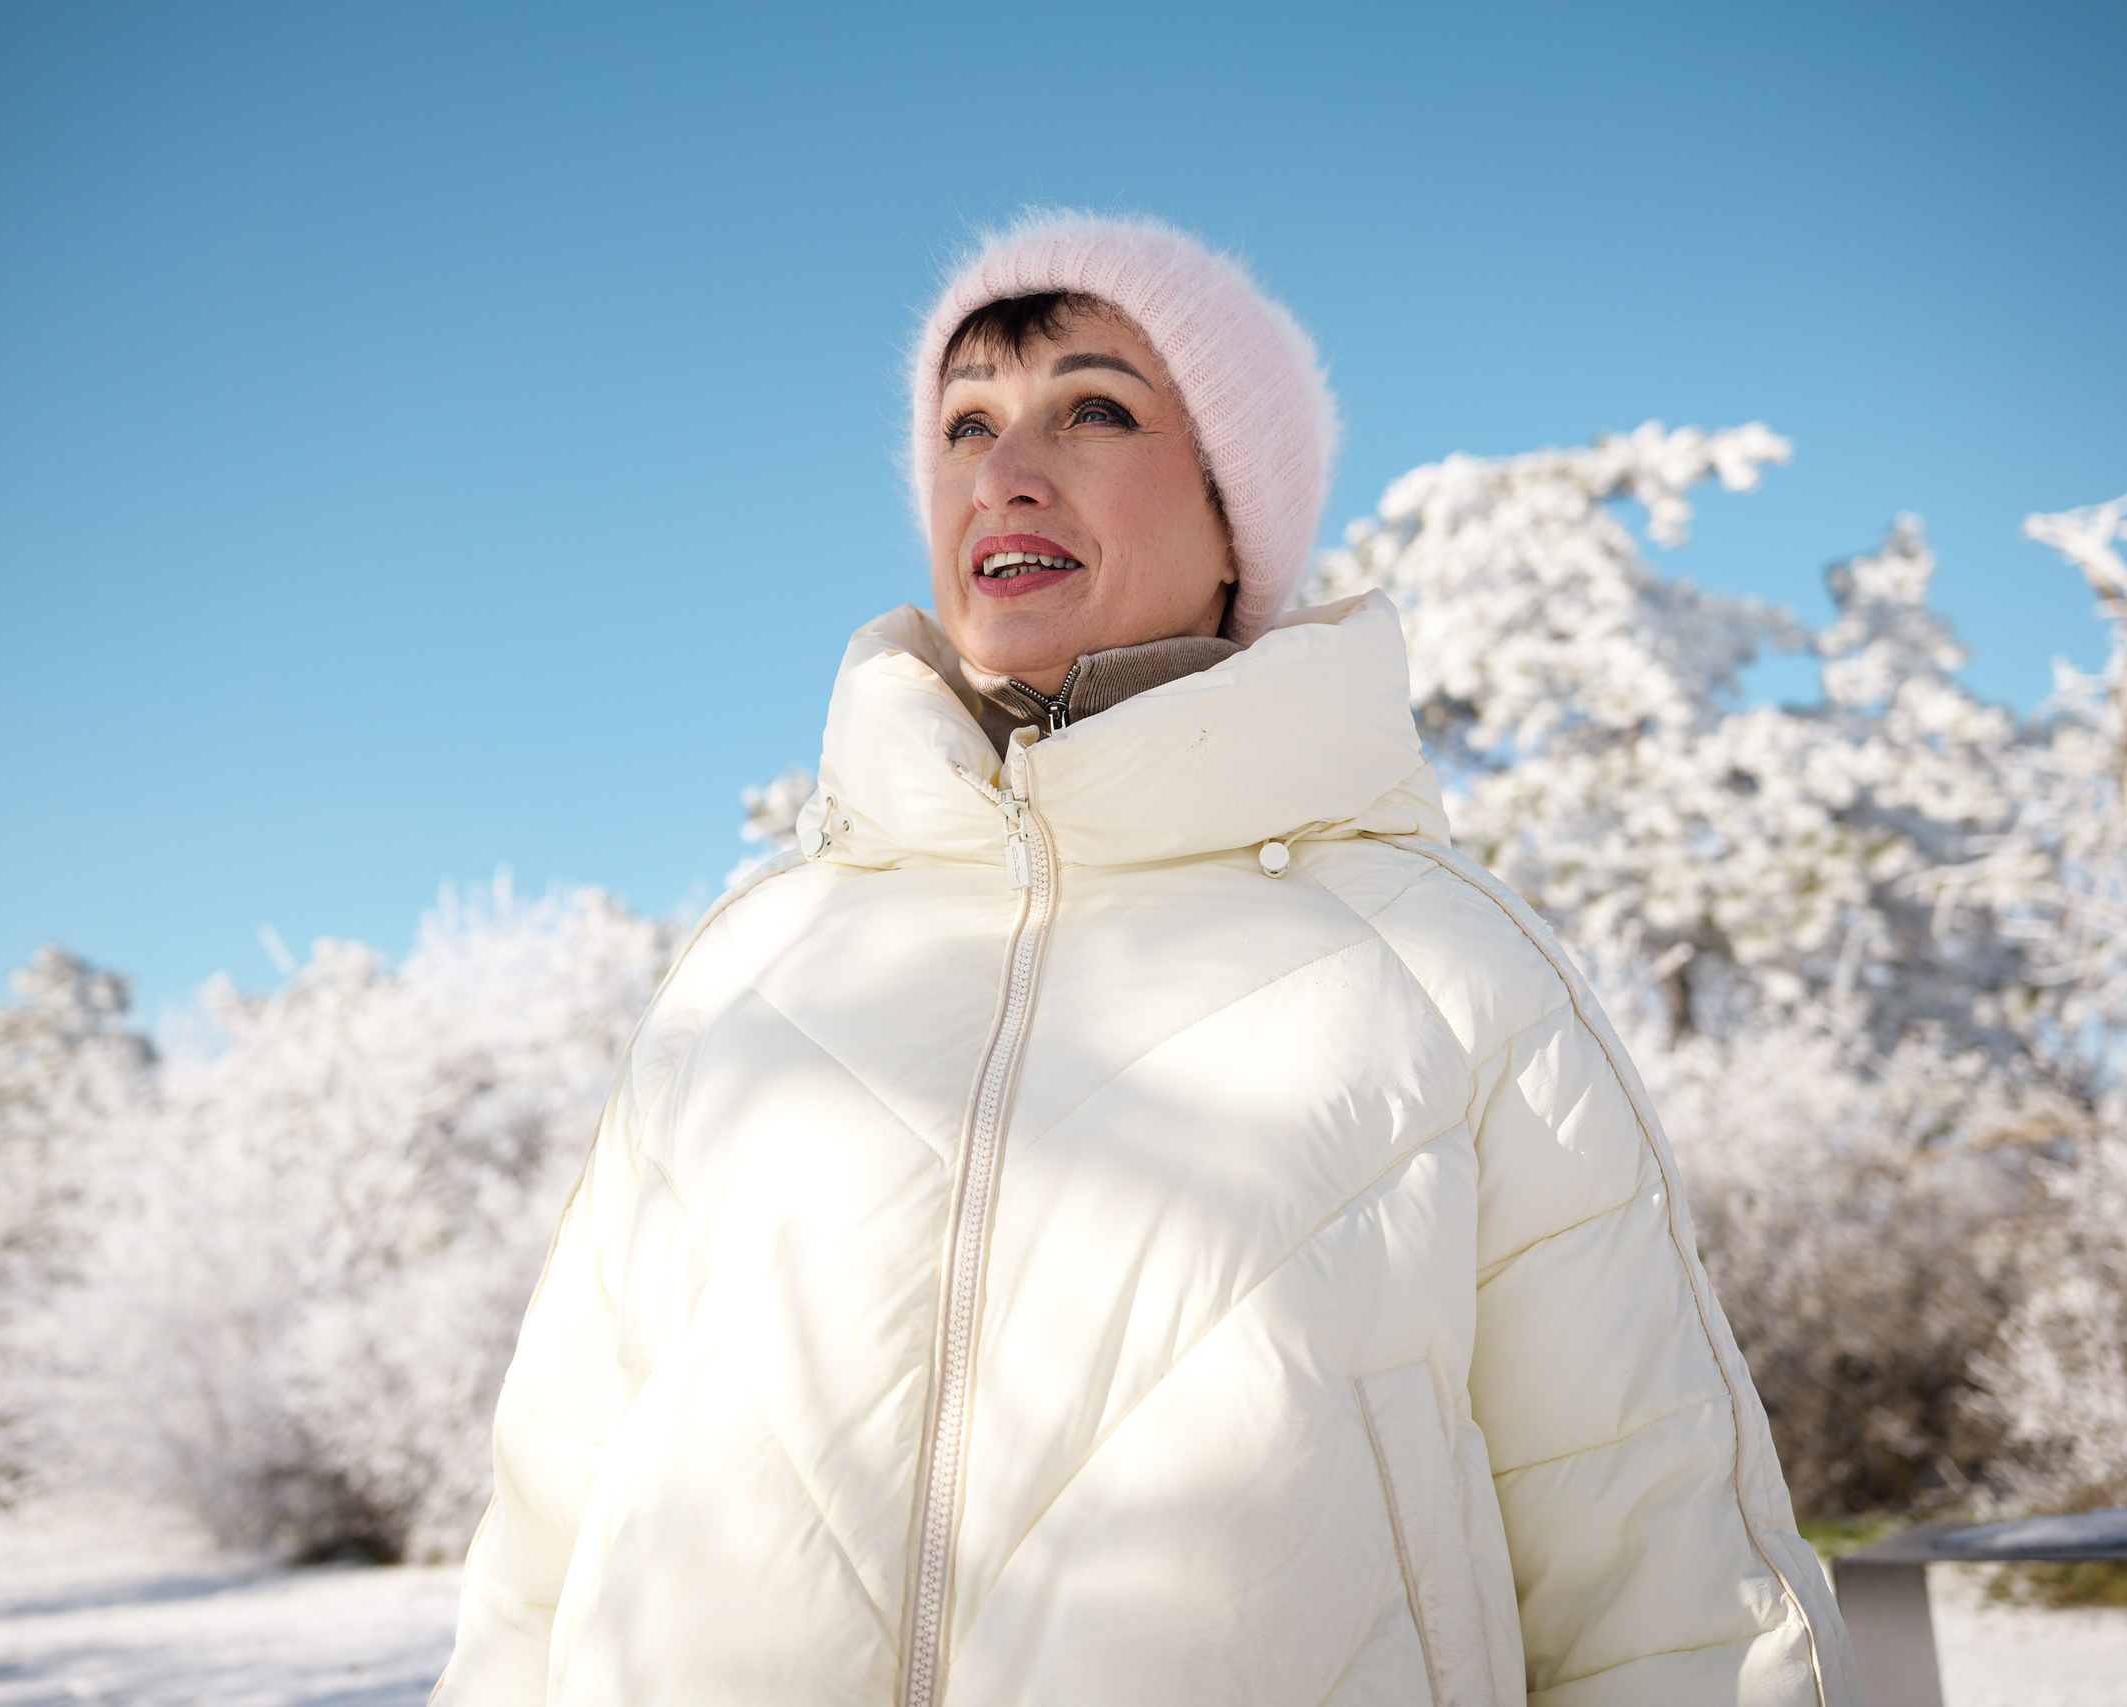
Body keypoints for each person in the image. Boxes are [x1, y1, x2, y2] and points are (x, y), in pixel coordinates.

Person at [435, 211, 1856, 1707]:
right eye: (965, 422)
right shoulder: (750, 967)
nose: (1005, 467)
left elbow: (1675, 1592)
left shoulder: (1448, 970)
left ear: (1240, 517)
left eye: (1093, 408)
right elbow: (544, 1546)